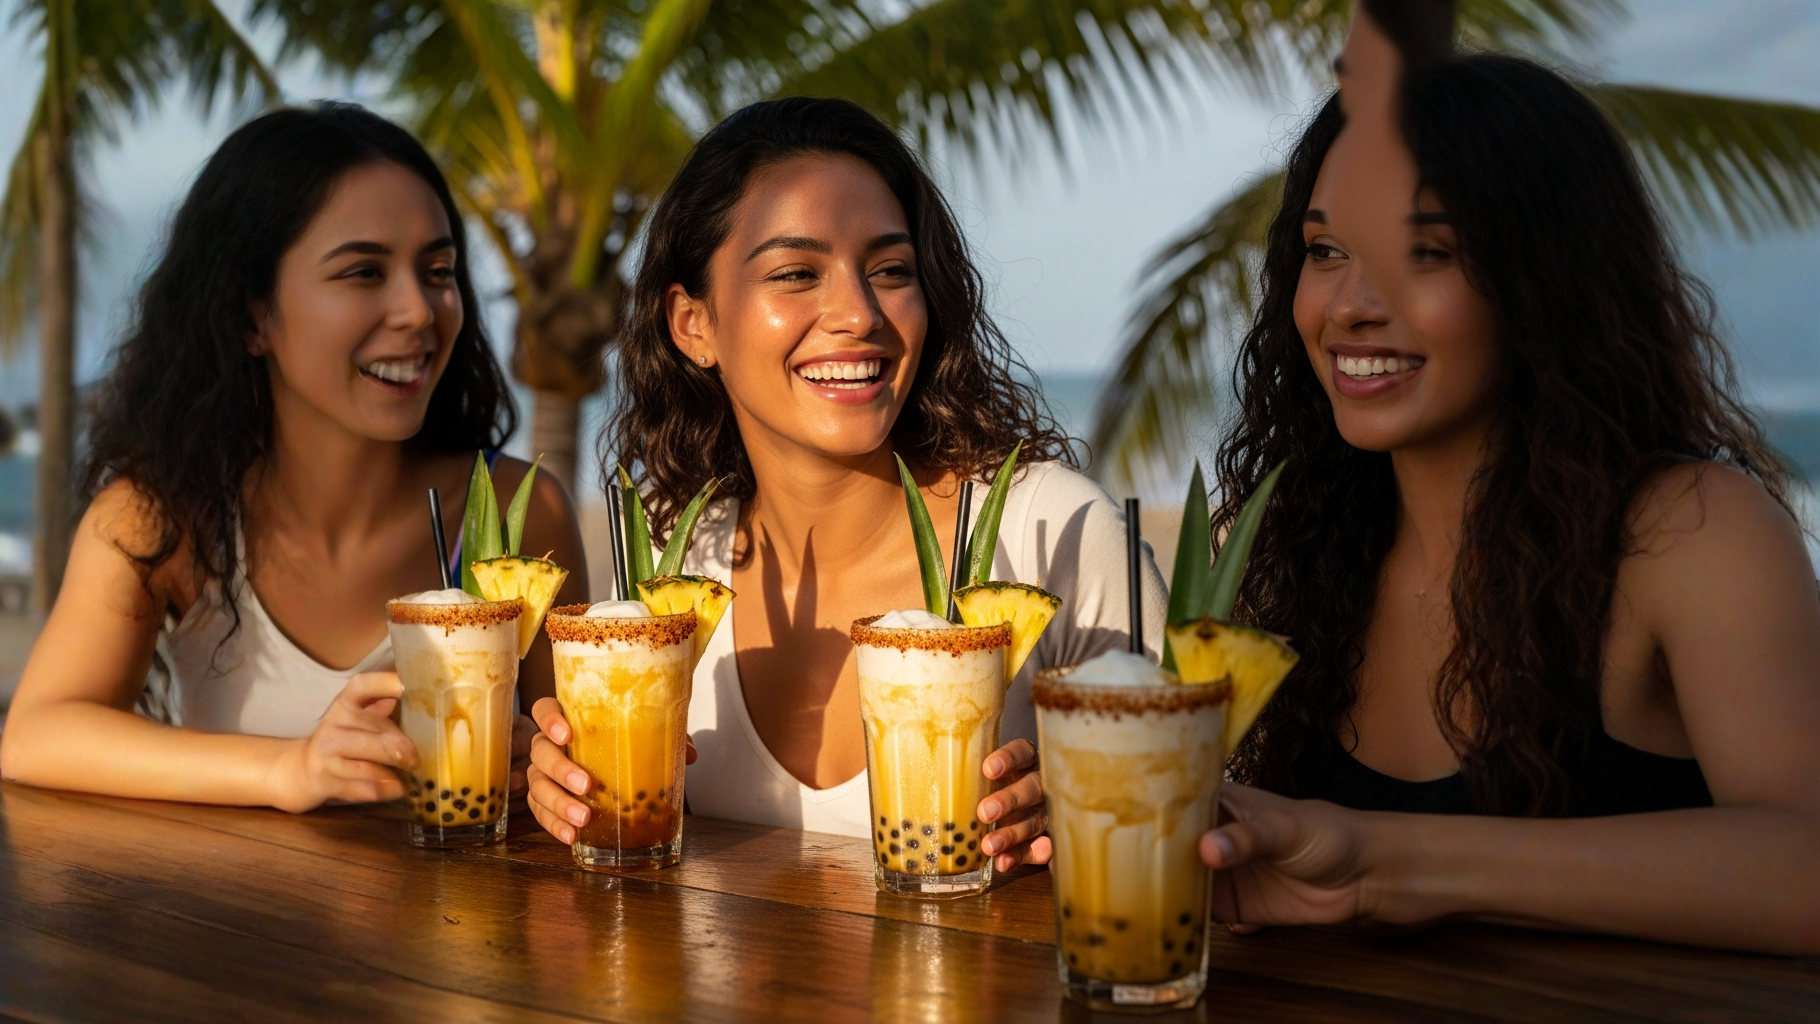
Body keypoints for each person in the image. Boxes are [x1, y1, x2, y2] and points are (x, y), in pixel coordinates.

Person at [1196, 50, 1820, 955]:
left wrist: (1381, 866)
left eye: (1426, 252)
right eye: (1327, 251)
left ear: (1547, 282)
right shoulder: (1299, 547)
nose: (1352, 306)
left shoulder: (1691, 531)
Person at [524, 98, 1167, 869]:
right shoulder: (678, 554)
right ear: (693, 325)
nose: (859, 314)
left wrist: (1094, 813)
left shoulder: (1052, 534)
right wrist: (564, 786)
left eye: (891, 271)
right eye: (797, 273)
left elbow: (1184, 825)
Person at [1, 104, 587, 812]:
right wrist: (289, 771)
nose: (419, 310)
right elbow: (36, 733)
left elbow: (572, 768)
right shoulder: (161, 517)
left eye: (438, 270)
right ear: (253, 317)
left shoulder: (521, 517)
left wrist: (548, 765)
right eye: (364, 273)